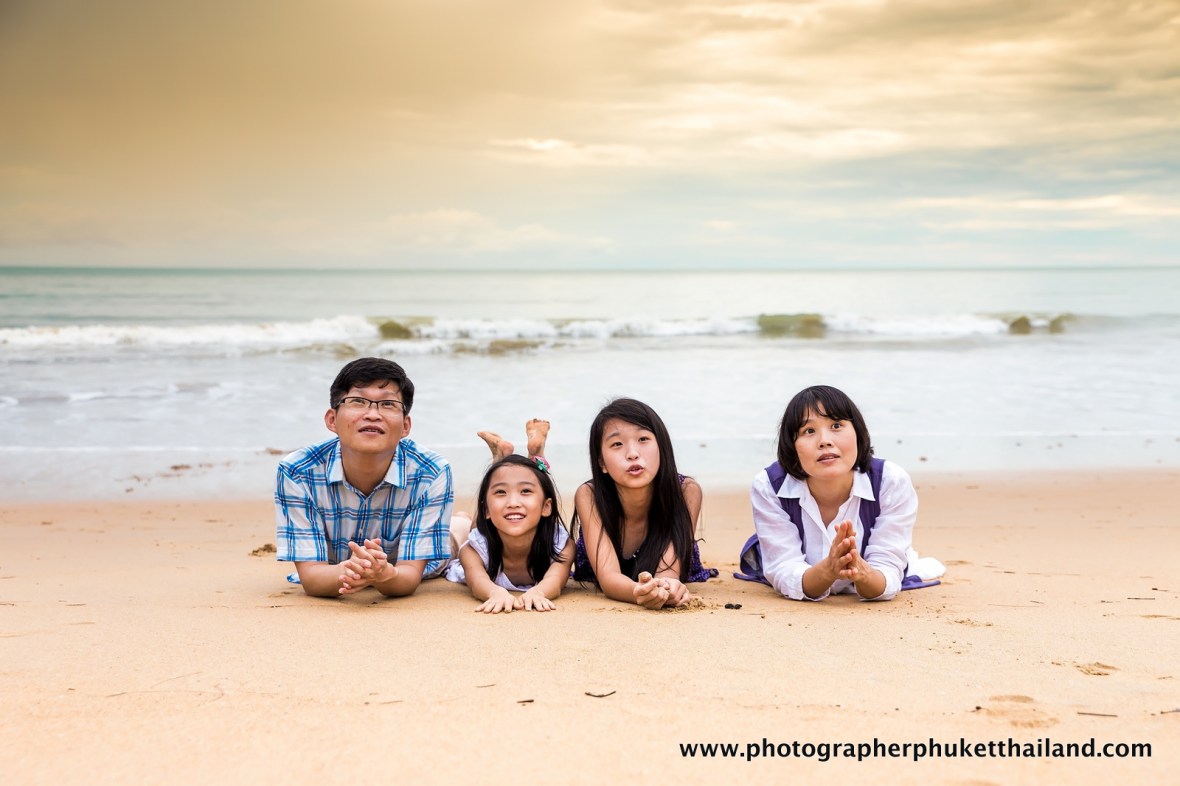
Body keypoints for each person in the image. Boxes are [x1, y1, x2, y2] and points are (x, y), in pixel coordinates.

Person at [274, 357, 453, 598]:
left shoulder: (432, 473)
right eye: (357, 401)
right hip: (339, 570)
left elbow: (409, 576)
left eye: (388, 404)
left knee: (459, 539)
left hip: (412, 566)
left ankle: (460, 524)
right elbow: (313, 578)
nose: (372, 414)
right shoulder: (297, 472)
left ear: (405, 427)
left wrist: (384, 575)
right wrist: (356, 570)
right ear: (331, 419)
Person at [743, 384, 941, 602]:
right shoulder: (769, 485)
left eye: (836, 425)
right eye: (809, 431)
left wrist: (862, 572)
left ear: (858, 432)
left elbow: (887, 570)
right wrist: (828, 569)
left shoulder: (890, 481)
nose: (825, 440)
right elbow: (784, 568)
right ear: (791, 445)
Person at [572, 398, 717, 610]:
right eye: (617, 444)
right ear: (602, 462)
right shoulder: (589, 495)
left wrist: (666, 589)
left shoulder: (686, 491)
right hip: (612, 583)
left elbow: (668, 572)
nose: (632, 454)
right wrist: (638, 593)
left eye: (643, 439)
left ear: (661, 447)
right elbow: (608, 576)